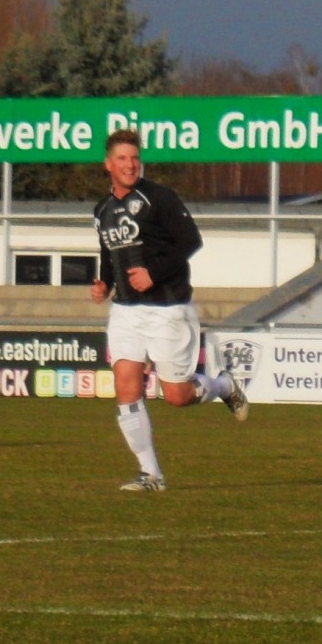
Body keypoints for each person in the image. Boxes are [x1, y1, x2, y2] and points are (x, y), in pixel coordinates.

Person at [91, 129, 247, 491]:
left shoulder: (159, 198)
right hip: (127, 311)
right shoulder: (102, 209)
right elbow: (108, 251)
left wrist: (154, 273)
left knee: (176, 396)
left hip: (167, 308)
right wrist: (104, 283)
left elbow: (191, 240)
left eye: (135, 157)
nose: (131, 164)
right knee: (126, 386)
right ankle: (151, 475)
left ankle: (224, 385)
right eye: (123, 158)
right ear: (108, 164)